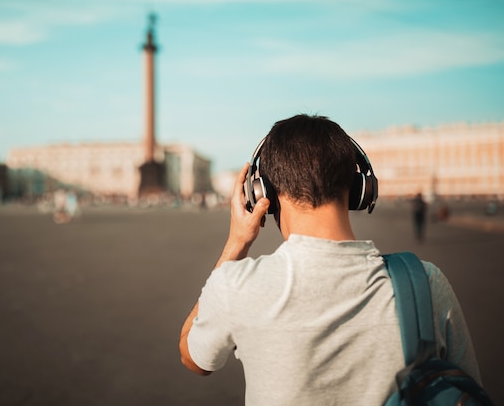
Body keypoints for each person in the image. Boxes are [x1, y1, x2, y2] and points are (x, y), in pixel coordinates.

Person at [179, 114, 481, 405]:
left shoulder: (238, 285)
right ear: (359, 190)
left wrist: (236, 243)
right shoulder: (426, 284)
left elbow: (194, 358)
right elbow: (466, 391)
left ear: (261, 194)